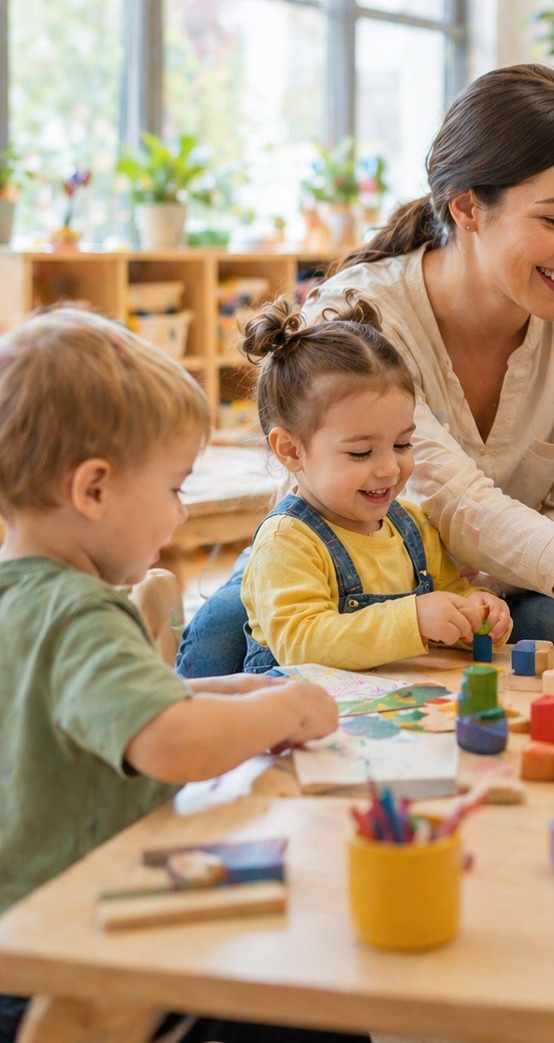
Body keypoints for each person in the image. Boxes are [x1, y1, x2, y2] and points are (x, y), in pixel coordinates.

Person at [177, 63, 554, 678]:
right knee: (216, 643)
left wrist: (477, 592)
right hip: (337, 557)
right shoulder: (356, 313)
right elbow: (449, 500)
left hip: (502, 584)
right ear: (469, 209)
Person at [0, 310, 359, 1043]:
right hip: (76, 949)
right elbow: (170, 745)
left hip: (19, 934)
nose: (179, 512)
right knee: (314, 1000)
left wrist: (227, 692)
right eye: (173, 488)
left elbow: (85, 715)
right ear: (93, 490)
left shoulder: (20, 598)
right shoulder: (80, 613)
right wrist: (284, 711)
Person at [238, 292, 511, 671]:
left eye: (402, 444)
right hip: (302, 719)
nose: (388, 468)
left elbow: (452, 593)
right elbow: (300, 645)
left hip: (390, 712)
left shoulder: (412, 525)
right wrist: (413, 618)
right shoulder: (287, 542)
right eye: (361, 453)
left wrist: (477, 610)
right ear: (291, 450)